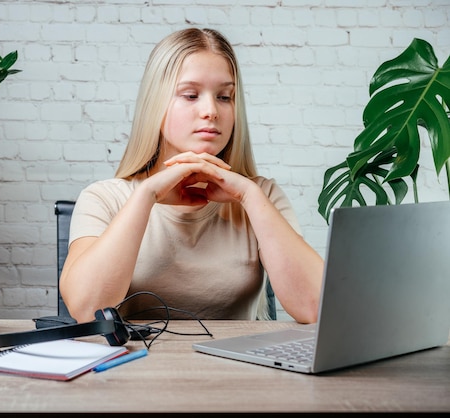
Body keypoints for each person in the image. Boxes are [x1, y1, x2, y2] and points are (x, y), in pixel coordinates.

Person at [59, 28, 324, 324]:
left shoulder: (262, 195)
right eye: (190, 95)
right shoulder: (103, 198)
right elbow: (86, 310)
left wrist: (249, 196)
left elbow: (314, 307)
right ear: (155, 104)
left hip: (241, 367)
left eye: (225, 96)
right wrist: (146, 196)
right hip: (134, 367)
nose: (211, 111)